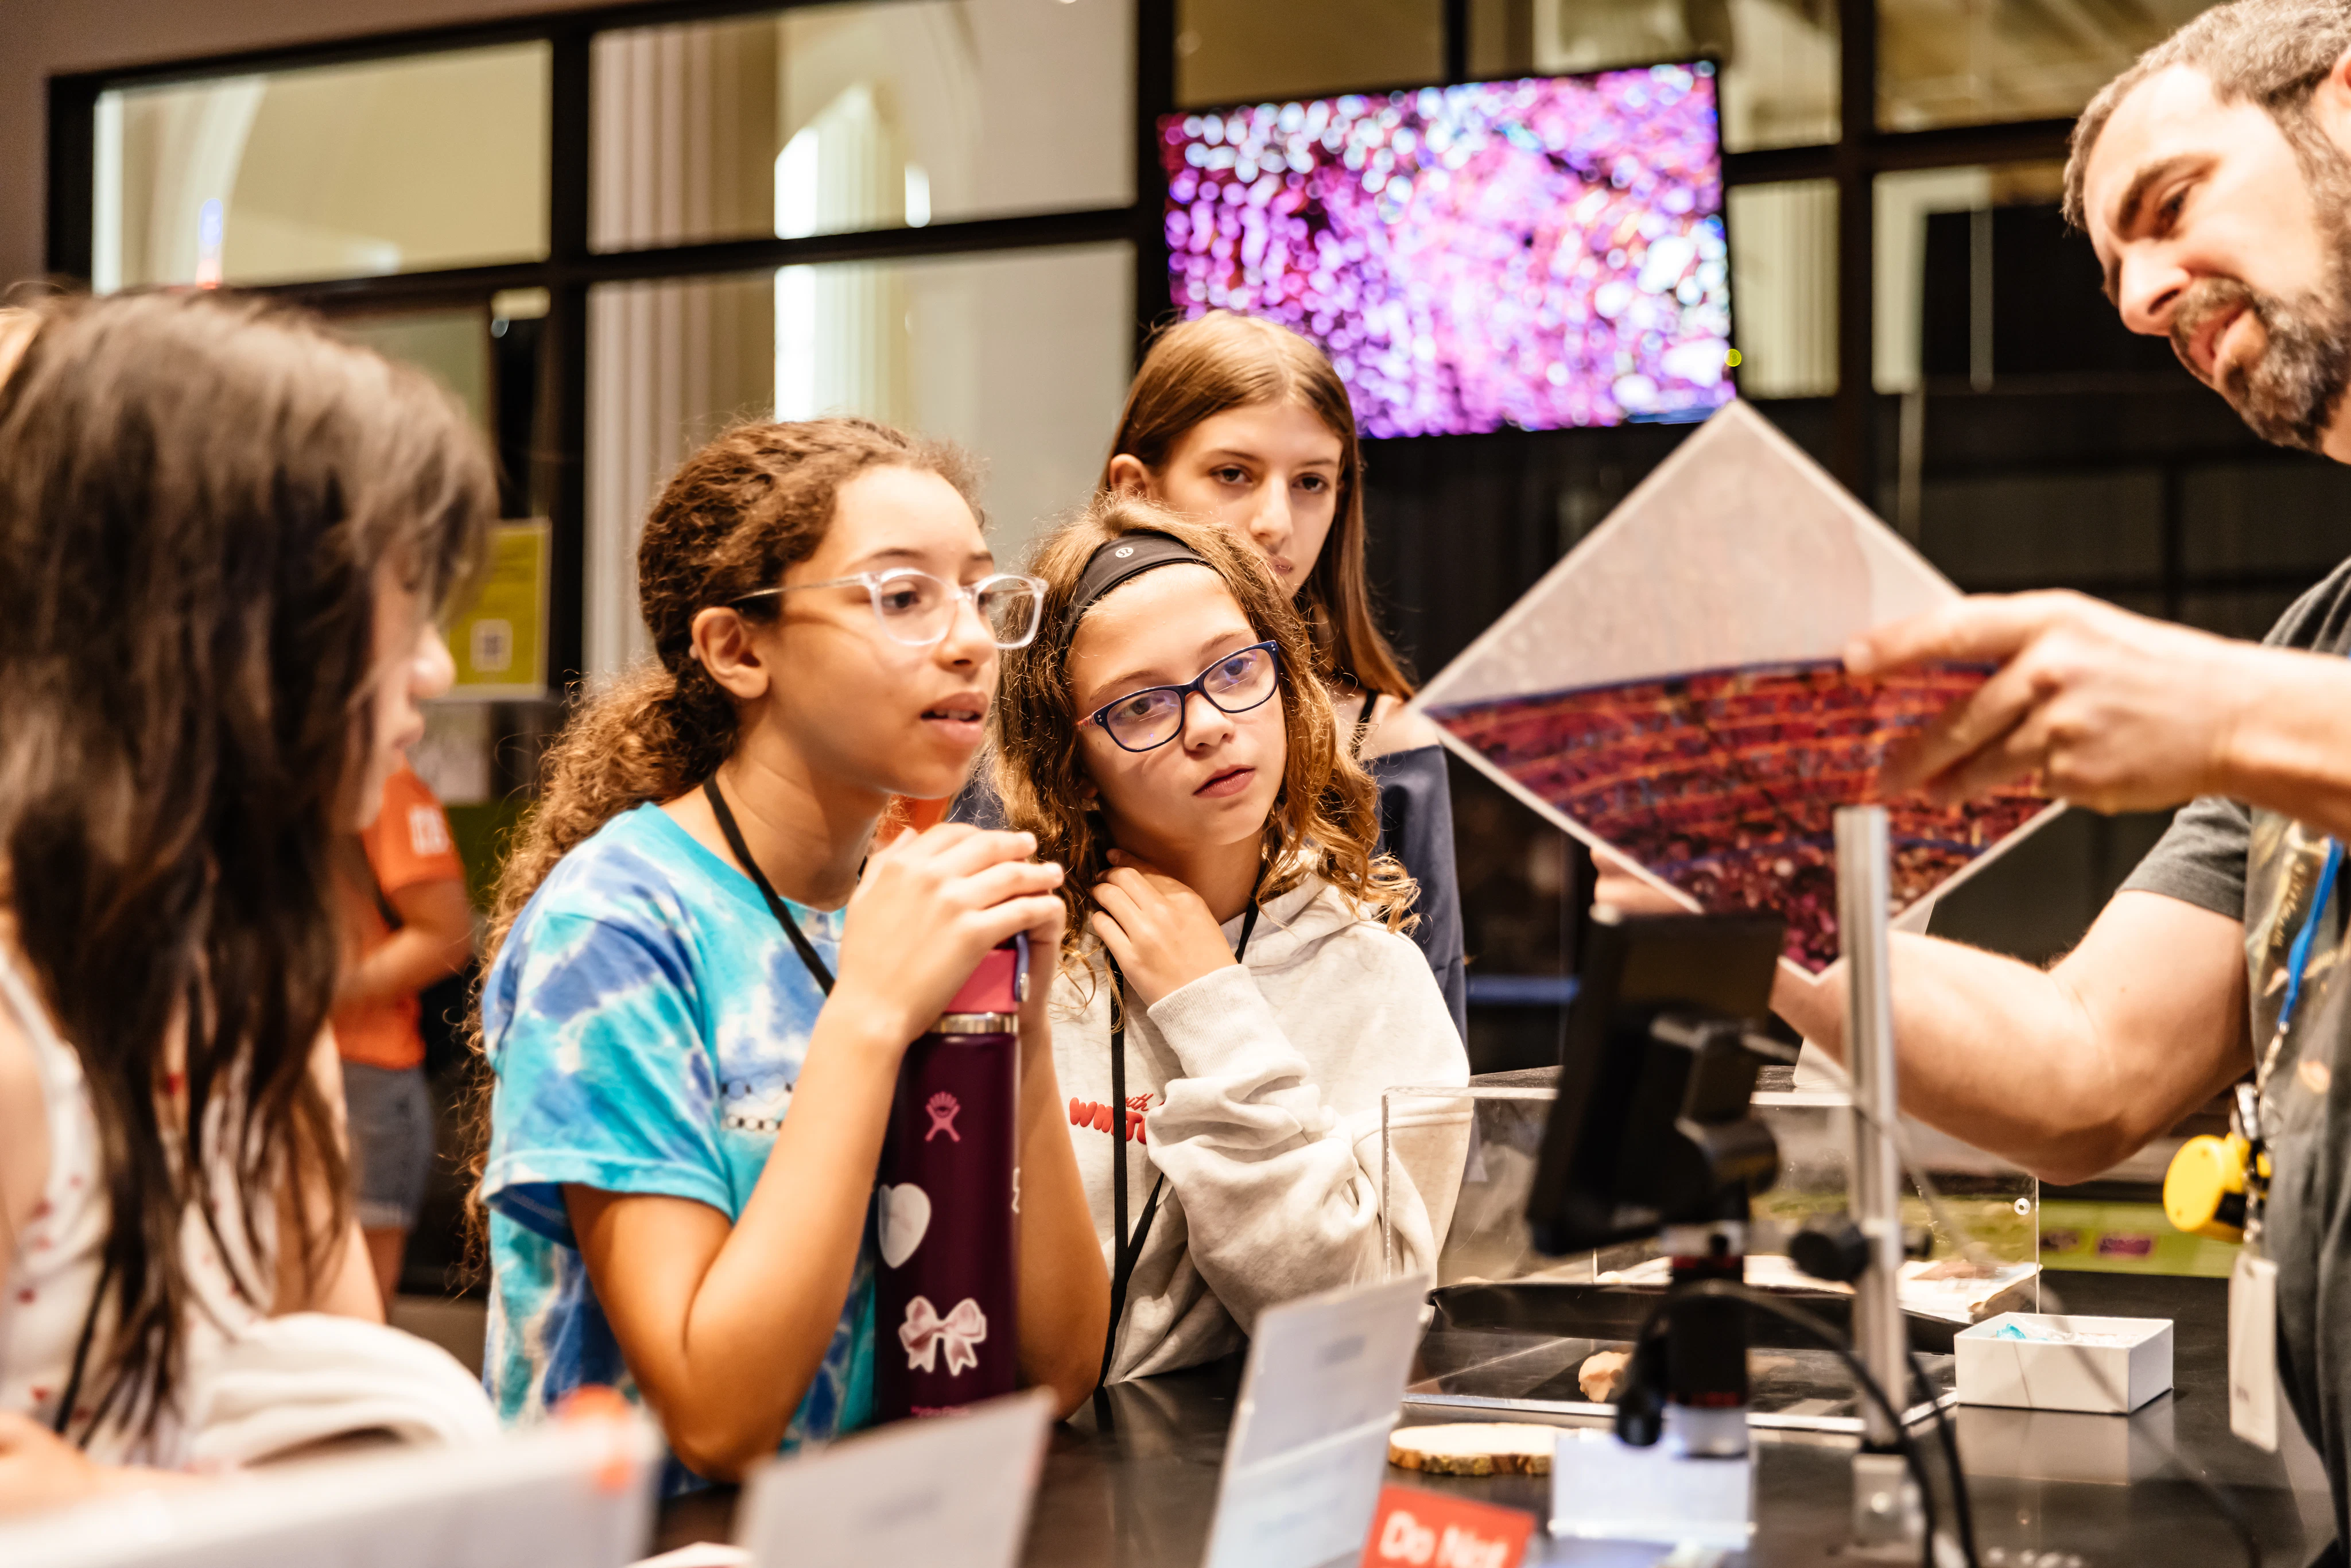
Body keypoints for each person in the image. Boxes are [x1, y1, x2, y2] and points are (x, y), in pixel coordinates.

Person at [1588, 2, 2351, 1549]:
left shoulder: (2270, 694)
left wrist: (2215, 709)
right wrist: (1766, 910)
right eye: (2116, 263)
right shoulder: (2320, 642)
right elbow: (2086, 1068)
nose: (2141, 298)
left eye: (2174, 205)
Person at [474, 417, 1107, 1491]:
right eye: (902, 597)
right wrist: (867, 1018)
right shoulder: (619, 925)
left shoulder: (904, 901)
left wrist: (1026, 1031)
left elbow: (1056, 1367)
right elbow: (717, 1420)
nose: (965, 640)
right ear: (738, 648)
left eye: (977, 592)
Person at [0, 292, 492, 1505]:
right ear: (219, 622)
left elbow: (320, 1377)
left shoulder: (234, 990)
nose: (431, 662)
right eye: (395, 589)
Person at [991, 498, 1468, 1383]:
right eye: (1140, 706)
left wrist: (1211, 1006)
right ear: (1074, 766)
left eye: (1235, 669)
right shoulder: (1021, 968)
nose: (1210, 723)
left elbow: (1365, 1319)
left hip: (1230, 1478)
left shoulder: (1376, 981)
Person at [1101, 312, 1469, 1038]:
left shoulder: (1387, 738)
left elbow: (1433, 1055)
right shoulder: (1045, 715)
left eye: (1311, 482)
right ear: (1136, 488)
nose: (1275, 520)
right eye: (1233, 474)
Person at [333, 762, 475, 1314]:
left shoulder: (381, 780)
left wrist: (305, 1004)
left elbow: (448, 932)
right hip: (271, 1064)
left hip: (365, 1073)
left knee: (354, 1314)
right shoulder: (239, 765)